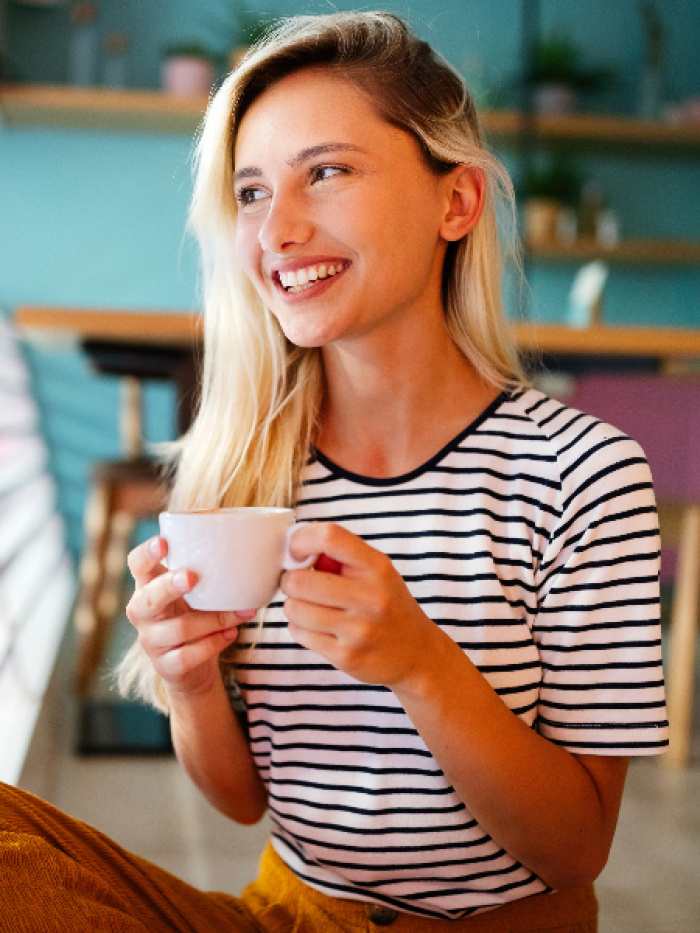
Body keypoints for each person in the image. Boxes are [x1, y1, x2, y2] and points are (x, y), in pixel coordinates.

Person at [0, 11, 668, 933]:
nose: (279, 228)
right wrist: (192, 686)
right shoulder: (243, 468)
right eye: (250, 191)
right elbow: (240, 800)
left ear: (457, 203)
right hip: (290, 913)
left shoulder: (580, 474)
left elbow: (576, 848)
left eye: (327, 171)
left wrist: (422, 664)